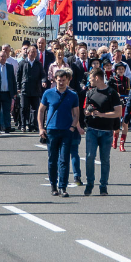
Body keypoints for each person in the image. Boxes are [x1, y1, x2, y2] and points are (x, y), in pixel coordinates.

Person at [39, 69, 81, 197]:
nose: (61, 82)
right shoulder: (48, 93)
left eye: (64, 80)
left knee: (64, 160)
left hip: (66, 130)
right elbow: (41, 111)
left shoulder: (73, 95)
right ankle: (53, 186)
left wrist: (73, 127)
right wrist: (41, 128)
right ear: (55, 80)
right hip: (52, 130)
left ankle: (63, 187)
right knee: (52, 159)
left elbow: (76, 113)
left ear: (67, 80)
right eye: (59, 80)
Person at [18, 47, 47, 132]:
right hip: (25, 89)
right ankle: (23, 124)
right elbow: (18, 76)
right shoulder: (22, 63)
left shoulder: (38, 64)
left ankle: (34, 125)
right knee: (24, 108)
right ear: (28, 53)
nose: (34, 53)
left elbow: (43, 75)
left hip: (35, 89)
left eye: (35, 52)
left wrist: (43, 81)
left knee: (35, 109)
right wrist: (18, 87)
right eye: (32, 52)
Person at [0, 51, 16, 133]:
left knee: (7, 110)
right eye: (1, 56)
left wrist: (14, 92)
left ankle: (7, 126)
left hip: (7, 92)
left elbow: (13, 80)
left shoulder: (9, 67)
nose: (3, 58)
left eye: (4, 56)